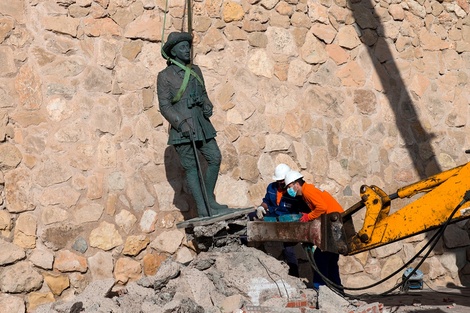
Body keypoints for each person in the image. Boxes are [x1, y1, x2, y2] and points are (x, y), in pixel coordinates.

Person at [157, 32, 229, 218]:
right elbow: (164, 106)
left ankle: (210, 200)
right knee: (191, 168)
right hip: (183, 129)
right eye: (182, 47)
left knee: (215, 157)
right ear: (173, 51)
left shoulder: (195, 71)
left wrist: (207, 105)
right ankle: (203, 209)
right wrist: (180, 123)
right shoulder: (164, 76)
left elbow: (204, 94)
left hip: (201, 123)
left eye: (188, 46)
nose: (187, 50)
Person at [284, 170, 344, 289]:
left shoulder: (307, 191)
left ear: (296, 184)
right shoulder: (308, 190)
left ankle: (321, 288)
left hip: (333, 224)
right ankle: (337, 288)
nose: (289, 190)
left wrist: (308, 217)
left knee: (320, 257)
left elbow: (322, 207)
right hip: (335, 223)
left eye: (290, 187)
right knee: (331, 259)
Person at [250, 163, 310, 277]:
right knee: (250, 217)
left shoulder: (294, 192)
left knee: (289, 249)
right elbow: (266, 201)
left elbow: (304, 210)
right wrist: (262, 207)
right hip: (272, 216)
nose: (280, 183)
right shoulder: (271, 187)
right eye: (278, 181)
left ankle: (294, 276)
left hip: (287, 222)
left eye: (282, 181)